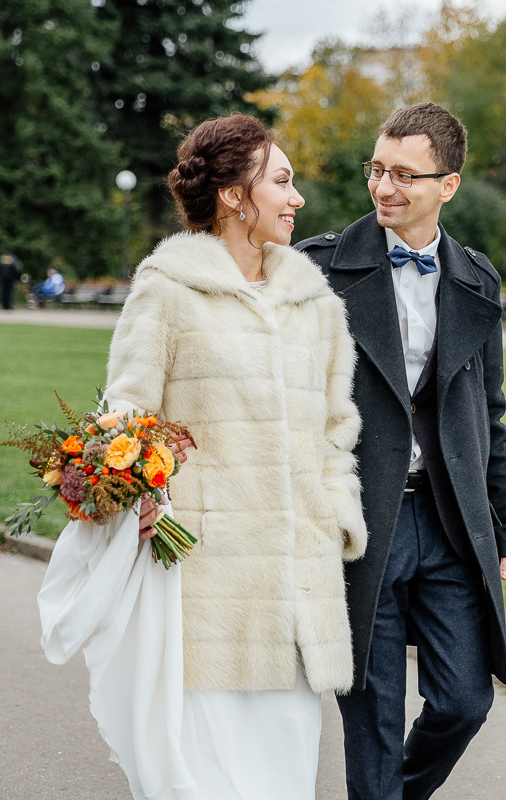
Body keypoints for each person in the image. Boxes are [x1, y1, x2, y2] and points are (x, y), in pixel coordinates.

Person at [97, 113, 367, 798]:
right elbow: (125, 415)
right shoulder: (166, 290)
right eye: (281, 181)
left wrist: (337, 517)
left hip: (297, 591)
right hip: (207, 586)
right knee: (211, 779)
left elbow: (339, 430)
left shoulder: (317, 304)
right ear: (233, 196)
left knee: (282, 777)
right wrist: (148, 497)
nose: (297, 197)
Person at [297, 101, 506, 800]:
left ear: (447, 185)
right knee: (371, 713)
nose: (384, 187)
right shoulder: (319, 269)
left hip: (449, 522)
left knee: (464, 702)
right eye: (377, 169)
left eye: (405, 174)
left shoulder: (476, 277)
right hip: (360, 520)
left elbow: (488, 414)